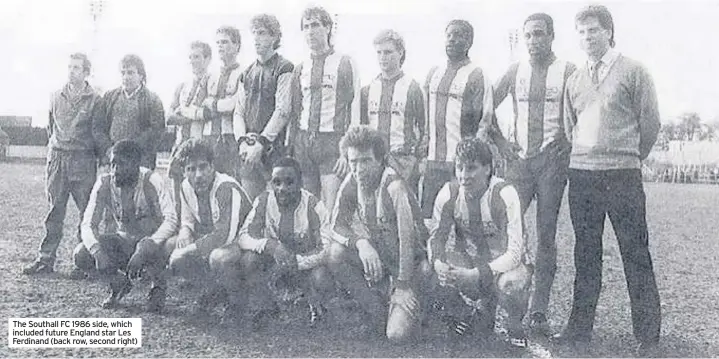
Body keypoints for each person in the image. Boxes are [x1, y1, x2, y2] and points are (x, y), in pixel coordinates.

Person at [554, 5, 661, 353]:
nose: (588, 37)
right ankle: (579, 328)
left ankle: (647, 334)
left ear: (609, 32)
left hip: (622, 176)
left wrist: (628, 156)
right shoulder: (574, 79)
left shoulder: (634, 71)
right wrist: (588, 157)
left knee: (634, 252)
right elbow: (570, 127)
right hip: (583, 175)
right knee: (585, 255)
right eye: (582, 31)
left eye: (594, 30)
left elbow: (650, 123)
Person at [491, 13, 577, 335]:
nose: (532, 41)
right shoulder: (515, 71)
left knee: (545, 234)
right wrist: (501, 143)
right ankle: (495, 301)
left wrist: (568, 142)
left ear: (551, 36)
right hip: (520, 162)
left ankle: (539, 310)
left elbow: (583, 111)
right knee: (506, 227)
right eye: (527, 35)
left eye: (538, 35)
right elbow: (487, 105)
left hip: (551, 163)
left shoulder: (568, 71)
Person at [427, 138, 532, 348]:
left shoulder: (504, 193)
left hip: (506, 268)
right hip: (472, 264)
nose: (464, 176)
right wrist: (439, 264)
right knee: (425, 269)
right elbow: (435, 240)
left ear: (487, 168)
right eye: (460, 168)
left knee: (511, 286)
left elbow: (514, 254)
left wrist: (475, 274)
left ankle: (514, 327)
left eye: (472, 168)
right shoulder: (449, 193)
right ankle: (466, 314)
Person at [329, 126, 430, 343]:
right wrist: (361, 243)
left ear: (381, 159)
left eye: (365, 161)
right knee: (335, 254)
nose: (358, 169)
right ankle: (375, 311)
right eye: (353, 161)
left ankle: (420, 309)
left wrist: (403, 285)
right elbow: (335, 226)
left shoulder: (394, 187)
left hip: (412, 268)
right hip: (384, 261)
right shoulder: (351, 181)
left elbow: (409, 241)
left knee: (396, 335)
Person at [214, 156, 333, 328]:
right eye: (276, 182)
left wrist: (297, 262)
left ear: (300, 183)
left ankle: (317, 306)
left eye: (289, 182)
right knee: (249, 260)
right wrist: (271, 245)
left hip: (305, 265)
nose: (282, 188)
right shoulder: (263, 200)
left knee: (321, 277)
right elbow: (244, 235)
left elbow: (325, 249)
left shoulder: (314, 206)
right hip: (276, 262)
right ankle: (267, 306)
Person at [23, 53, 110, 276]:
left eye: (77, 68)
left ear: (86, 72)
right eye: (69, 67)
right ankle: (45, 259)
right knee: (54, 211)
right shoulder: (55, 96)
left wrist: (100, 158)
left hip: (82, 159)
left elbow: (97, 131)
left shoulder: (96, 100)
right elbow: (51, 128)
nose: (72, 71)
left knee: (86, 213)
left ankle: (83, 262)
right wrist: (56, 152)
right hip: (58, 159)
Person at [73, 140, 177, 312]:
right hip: (125, 242)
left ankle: (157, 284)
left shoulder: (152, 180)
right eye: (113, 164)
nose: (115, 171)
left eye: (121, 164)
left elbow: (171, 220)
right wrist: (97, 252)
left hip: (153, 246)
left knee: (168, 243)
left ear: (136, 164)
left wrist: (147, 245)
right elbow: (87, 225)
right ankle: (118, 284)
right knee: (81, 254)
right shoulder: (104, 183)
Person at [167, 138, 253, 314]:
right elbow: (188, 217)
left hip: (246, 242)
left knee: (217, 257)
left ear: (213, 166)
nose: (198, 175)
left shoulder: (226, 187)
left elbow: (225, 236)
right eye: (191, 169)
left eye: (203, 167)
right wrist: (185, 230)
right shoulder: (186, 186)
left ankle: (238, 301)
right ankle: (214, 290)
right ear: (184, 172)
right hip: (219, 239)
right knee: (171, 245)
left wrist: (188, 249)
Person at [288, 5, 361, 208]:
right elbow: (295, 111)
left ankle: (329, 241)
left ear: (328, 27)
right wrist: (293, 147)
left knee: (331, 206)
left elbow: (354, 108)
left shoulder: (345, 63)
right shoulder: (300, 67)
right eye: (306, 27)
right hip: (304, 142)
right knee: (307, 206)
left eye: (315, 25)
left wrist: (347, 151)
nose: (310, 31)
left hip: (332, 142)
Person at [421, 20, 494, 218]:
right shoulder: (433, 73)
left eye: (459, 35)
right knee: (428, 217)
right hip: (433, 160)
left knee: (463, 218)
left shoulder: (477, 75)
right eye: (449, 35)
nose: (452, 39)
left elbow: (484, 121)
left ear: (469, 41)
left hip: (461, 164)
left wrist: (471, 160)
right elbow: (424, 116)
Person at [234, 14, 295, 200]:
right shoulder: (246, 73)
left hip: (274, 149)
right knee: (251, 207)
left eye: (262, 33)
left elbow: (283, 110)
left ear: (275, 37)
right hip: (250, 149)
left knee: (278, 206)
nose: (256, 38)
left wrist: (262, 142)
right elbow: (238, 111)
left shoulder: (284, 67)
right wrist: (242, 141)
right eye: (254, 33)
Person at [360, 29, 425, 192]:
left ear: (400, 53)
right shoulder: (368, 90)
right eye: (379, 53)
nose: (383, 57)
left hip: (402, 161)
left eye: (388, 52)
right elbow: (362, 127)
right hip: (375, 160)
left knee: (402, 210)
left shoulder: (412, 88)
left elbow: (425, 129)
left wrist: (419, 159)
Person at [103, 54, 165, 170]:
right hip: (113, 157)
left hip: (140, 158)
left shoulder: (152, 99)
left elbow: (156, 130)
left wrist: (130, 149)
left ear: (141, 75)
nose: (126, 77)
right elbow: (100, 127)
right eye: (123, 73)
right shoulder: (110, 97)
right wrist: (108, 149)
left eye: (130, 73)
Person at [203, 26, 244, 178]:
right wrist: (218, 106)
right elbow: (201, 105)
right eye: (218, 42)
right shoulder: (210, 76)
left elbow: (234, 105)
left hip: (230, 137)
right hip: (209, 136)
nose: (220, 46)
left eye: (225, 42)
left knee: (232, 182)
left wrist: (213, 104)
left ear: (236, 46)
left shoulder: (243, 73)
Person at [167, 41, 212, 148]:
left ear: (207, 59)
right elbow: (169, 118)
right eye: (190, 57)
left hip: (201, 144)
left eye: (196, 57)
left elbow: (209, 114)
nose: (192, 61)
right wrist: (194, 115)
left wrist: (182, 112)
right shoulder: (182, 86)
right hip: (180, 143)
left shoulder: (213, 84)